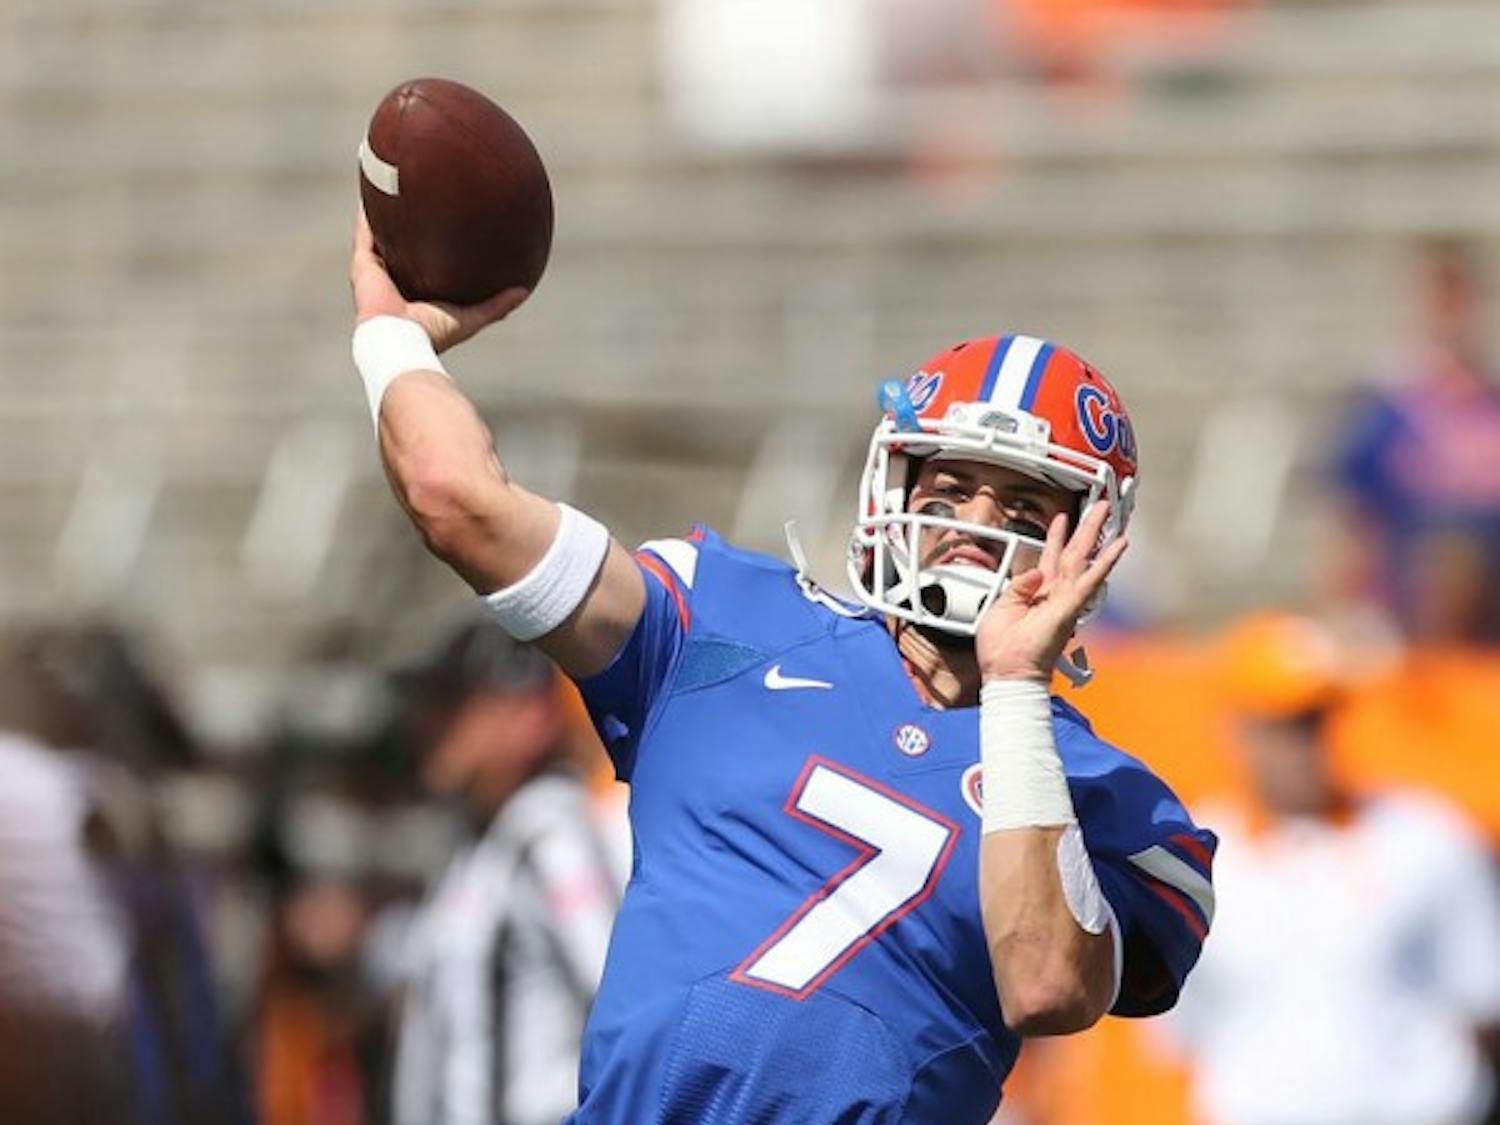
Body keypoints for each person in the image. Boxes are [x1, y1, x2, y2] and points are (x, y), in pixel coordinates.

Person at [348, 212, 1216, 1122]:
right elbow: (457, 500)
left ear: (1092, 538)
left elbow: (1045, 984)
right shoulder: (717, 618)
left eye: (1023, 503)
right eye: (950, 488)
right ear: (892, 488)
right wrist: (391, 333)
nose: (971, 524)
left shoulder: (1103, 792)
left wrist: (1014, 695)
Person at [1168, 612, 1500, 1125]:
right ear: (1237, 730)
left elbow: (1482, 1001)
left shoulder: (1426, 836)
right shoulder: (1194, 851)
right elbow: (1181, 1027)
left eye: (1315, 721)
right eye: (1283, 725)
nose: (1304, 746)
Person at [388, 618, 620, 1125]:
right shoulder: (483, 845)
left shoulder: (547, 835)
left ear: (529, 715)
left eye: (456, 703)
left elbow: (620, 1013)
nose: (430, 723)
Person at [1329, 239, 1500, 645]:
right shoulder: (1386, 411)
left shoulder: (1490, 403)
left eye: (1456, 295)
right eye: (1437, 296)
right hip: (1407, 609)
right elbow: (1351, 524)